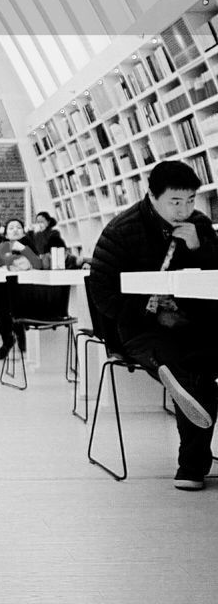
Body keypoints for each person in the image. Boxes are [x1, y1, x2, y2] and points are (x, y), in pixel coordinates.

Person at [89, 160, 218, 490]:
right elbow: (103, 292)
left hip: (193, 325)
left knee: (195, 365)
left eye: (190, 200)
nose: (184, 209)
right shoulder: (122, 230)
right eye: (176, 201)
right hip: (139, 329)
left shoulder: (199, 225)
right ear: (152, 196)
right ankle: (191, 467)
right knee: (186, 366)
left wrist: (199, 248)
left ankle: (191, 464)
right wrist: (153, 311)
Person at [0, 218, 42, 359]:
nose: (15, 229)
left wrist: (21, 250)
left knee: (3, 299)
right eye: (11, 228)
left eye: (18, 227)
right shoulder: (1, 248)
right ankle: (8, 338)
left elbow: (38, 264)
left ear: (23, 232)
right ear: (6, 233)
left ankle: (15, 335)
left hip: (29, 292)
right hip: (6, 292)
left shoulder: (29, 246)